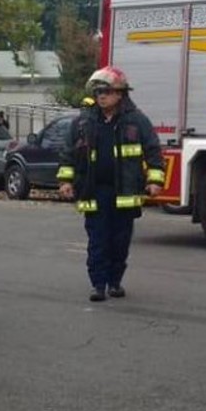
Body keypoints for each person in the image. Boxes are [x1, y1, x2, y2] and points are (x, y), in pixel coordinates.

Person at [57, 66, 166, 301]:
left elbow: (153, 151)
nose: (101, 96)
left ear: (120, 94)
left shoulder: (136, 121)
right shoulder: (83, 123)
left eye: (106, 91)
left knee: (120, 241)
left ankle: (115, 281)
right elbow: (68, 153)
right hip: (94, 191)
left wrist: (155, 179)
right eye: (98, 92)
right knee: (98, 239)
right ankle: (98, 284)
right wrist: (66, 180)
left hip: (125, 192)